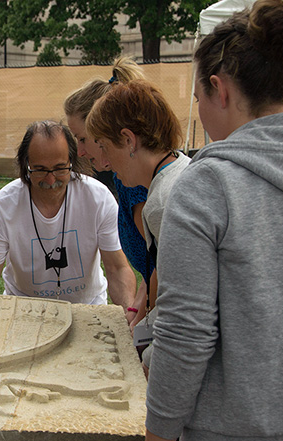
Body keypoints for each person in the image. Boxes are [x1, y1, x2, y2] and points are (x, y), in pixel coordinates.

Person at [137, 0, 283, 441]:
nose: (198, 108)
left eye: (197, 97)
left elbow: (185, 333)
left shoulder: (207, 184)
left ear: (220, 89)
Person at [0, 120, 136, 307]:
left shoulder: (98, 198)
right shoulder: (2, 207)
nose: (50, 179)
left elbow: (117, 268)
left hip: (88, 306)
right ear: (26, 165)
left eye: (59, 168)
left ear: (72, 161)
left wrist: (128, 311)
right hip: (24, 307)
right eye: (40, 170)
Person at [86, 79, 190, 375]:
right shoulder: (178, 171)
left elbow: (180, 311)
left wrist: (146, 364)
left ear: (129, 140)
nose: (104, 160)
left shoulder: (162, 203)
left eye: (105, 147)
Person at [64, 56, 154, 324]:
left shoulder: (141, 190)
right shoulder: (125, 183)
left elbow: (166, 270)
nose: (79, 152)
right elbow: (152, 273)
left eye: (82, 139)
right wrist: (135, 310)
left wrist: (139, 320)